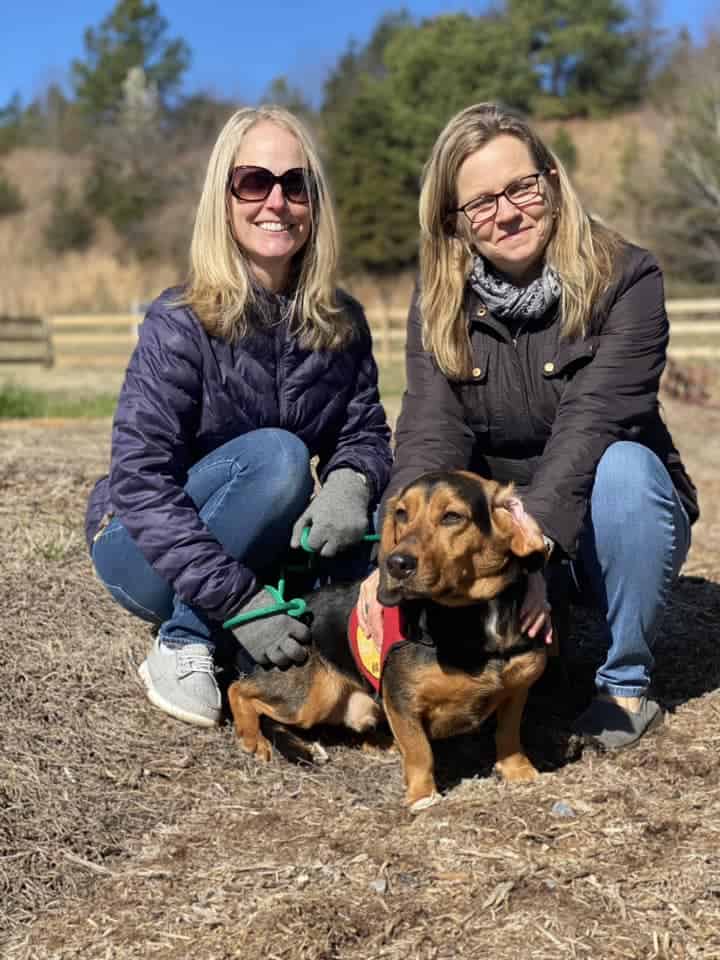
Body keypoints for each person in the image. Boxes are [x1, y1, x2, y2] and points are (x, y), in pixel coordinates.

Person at [372, 102, 698, 751]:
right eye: (483, 202)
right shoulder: (438, 298)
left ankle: (623, 684)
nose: (509, 212)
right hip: (501, 530)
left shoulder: (627, 277)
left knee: (626, 471)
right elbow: (431, 433)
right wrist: (392, 547)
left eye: (521, 186)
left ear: (551, 179)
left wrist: (538, 555)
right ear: (455, 221)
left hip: (596, 515)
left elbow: (595, 421)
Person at [85, 106, 392, 728]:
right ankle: (184, 639)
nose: (275, 202)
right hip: (139, 548)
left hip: (256, 543)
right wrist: (242, 600)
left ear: (315, 202)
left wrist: (350, 481)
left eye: (295, 184)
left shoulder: (342, 321)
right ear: (223, 199)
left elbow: (363, 432)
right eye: (253, 182)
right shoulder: (179, 321)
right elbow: (142, 482)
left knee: (390, 513)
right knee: (278, 456)